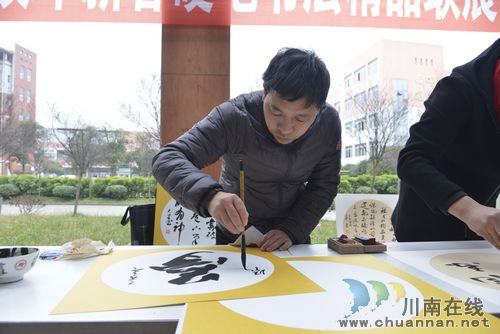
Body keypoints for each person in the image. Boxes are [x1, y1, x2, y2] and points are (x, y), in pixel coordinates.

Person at [152, 47, 341, 252]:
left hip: (291, 237)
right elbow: (167, 159)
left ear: (319, 109)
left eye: (301, 118)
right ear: (265, 91)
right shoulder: (234, 117)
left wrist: (292, 229)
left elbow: (324, 185)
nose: (286, 128)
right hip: (235, 233)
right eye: (275, 110)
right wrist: (211, 197)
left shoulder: (328, 124)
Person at [391, 38, 500, 249]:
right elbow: (411, 160)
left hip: (481, 233)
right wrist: (469, 210)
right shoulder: (460, 88)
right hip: (423, 230)